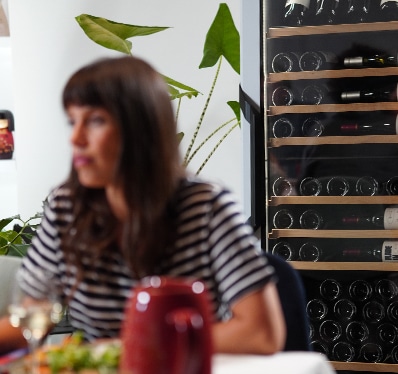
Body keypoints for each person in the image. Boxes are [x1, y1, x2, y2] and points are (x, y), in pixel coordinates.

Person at [0, 56, 285, 355]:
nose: (76, 137)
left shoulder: (207, 207)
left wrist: (131, 346)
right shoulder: (66, 208)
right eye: (72, 122)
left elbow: (260, 333)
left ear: (141, 130)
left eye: (96, 120)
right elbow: (31, 318)